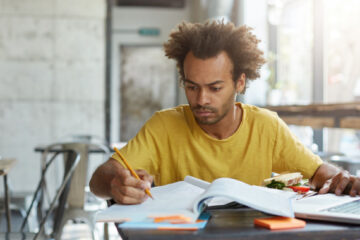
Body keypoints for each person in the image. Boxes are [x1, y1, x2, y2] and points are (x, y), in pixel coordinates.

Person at [90, 21, 360, 205]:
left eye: (215, 87)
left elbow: (316, 172)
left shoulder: (266, 127)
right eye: (192, 86)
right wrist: (116, 182)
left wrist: (341, 180)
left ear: (240, 82)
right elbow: (99, 179)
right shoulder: (164, 126)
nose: (201, 99)